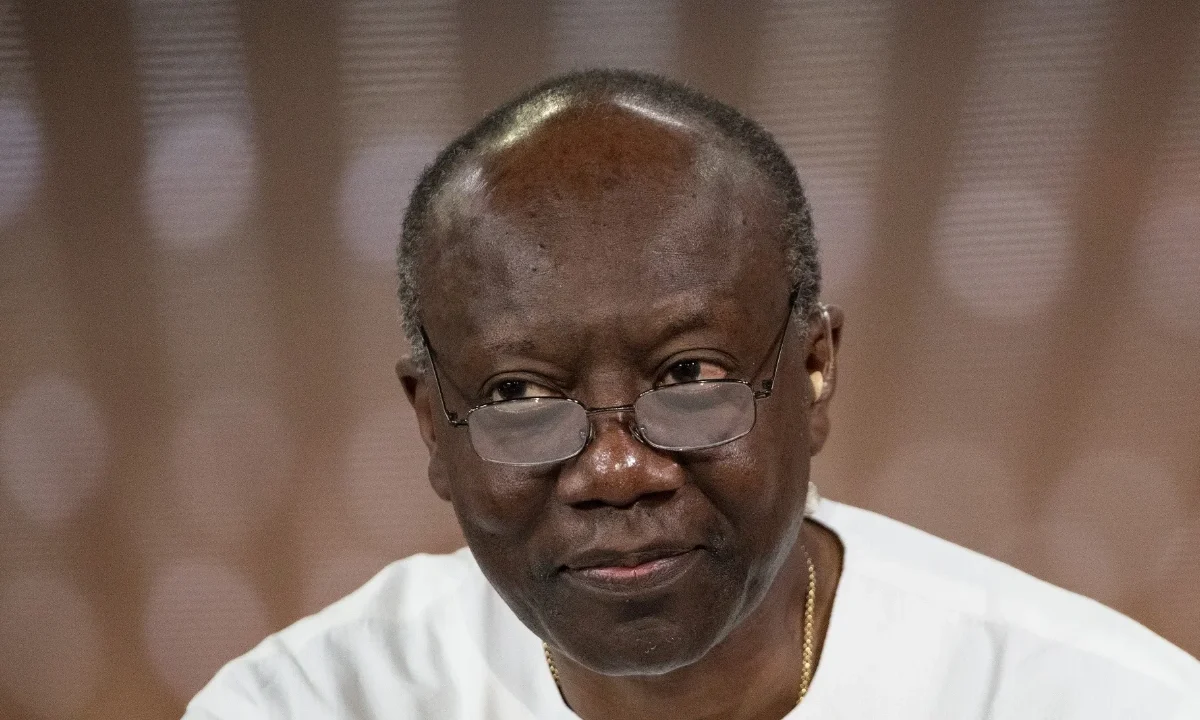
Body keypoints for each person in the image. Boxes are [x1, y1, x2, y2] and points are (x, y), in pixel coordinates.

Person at [184, 69, 1200, 720]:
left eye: (689, 376)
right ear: (431, 426)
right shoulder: (311, 704)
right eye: (519, 392)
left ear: (815, 368)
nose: (616, 469)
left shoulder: (1099, 700)